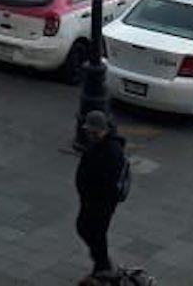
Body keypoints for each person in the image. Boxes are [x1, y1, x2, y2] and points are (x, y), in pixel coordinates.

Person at [74, 111, 126, 279]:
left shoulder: (111, 151)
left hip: (100, 202)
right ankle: (101, 263)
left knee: (93, 230)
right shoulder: (99, 144)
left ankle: (102, 266)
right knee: (87, 228)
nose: (90, 135)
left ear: (102, 130)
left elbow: (106, 182)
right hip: (91, 200)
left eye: (93, 132)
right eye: (88, 131)